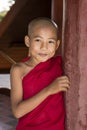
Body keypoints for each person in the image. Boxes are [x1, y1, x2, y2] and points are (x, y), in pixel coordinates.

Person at [10, 17, 70, 130]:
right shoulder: (18, 70)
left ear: (57, 45)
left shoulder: (59, 63)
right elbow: (17, 112)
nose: (44, 47)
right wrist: (49, 90)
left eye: (50, 42)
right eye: (38, 40)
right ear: (28, 41)